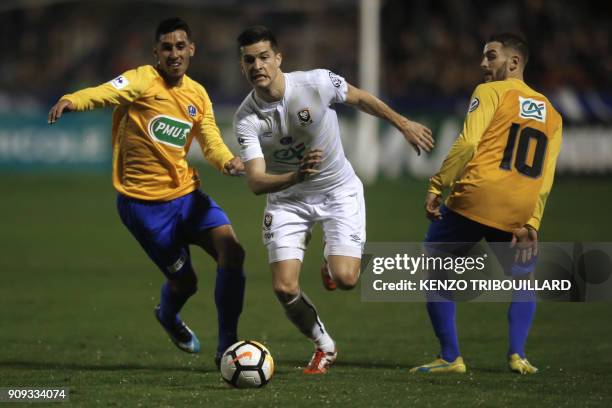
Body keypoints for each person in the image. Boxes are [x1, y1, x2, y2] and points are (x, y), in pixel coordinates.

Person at [233, 25, 434, 374]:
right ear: (242, 66)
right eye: (249, 60)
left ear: (278, 58)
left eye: (264, 57)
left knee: (346, 278)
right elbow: (255, 182)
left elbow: (360, 98)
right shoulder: (246, 118)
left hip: (338, 192)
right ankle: (324, 346)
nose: (257, 66)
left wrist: (402, 124)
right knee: (283, 287)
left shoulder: (316, 83)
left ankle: (331, 263)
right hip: (287, 201)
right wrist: (296, 177)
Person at [47, 17, 246, 367]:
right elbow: (105, 92)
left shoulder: (197, 94)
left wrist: (228, 161)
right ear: (156, 52)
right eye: (167, 47)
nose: (174, 54)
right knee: (186, 284)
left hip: (187, 196)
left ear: (191, 50)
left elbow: (210, 139)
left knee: (233, 252)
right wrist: (72, 100)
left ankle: (226, 346)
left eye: (180, 46)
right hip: (144, 208)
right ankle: (168, 316)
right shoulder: (142, 80)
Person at [410, 33, 563, 374]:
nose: (483, 63)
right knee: (524, 279)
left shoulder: (490, 92)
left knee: (436, 267)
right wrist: (532, 222)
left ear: (513, 63)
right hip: (518, 208)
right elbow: (546, 177)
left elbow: (467, 144)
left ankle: (450, 357)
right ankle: (518, 356)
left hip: (477, 196)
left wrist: (438, 184)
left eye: (491, 56)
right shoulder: (553, 114)